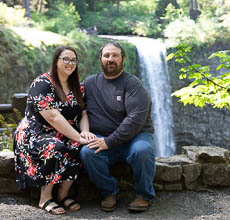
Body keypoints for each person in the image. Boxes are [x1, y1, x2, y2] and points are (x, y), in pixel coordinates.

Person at [13, 46, 95, 215]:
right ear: (55, 61)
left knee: (79, 147)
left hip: (63, 131)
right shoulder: (42, 84)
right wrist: (78, 137)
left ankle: (63, 195)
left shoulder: (78, 87)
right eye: (65, 59)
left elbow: (84, 112)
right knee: (55, 147)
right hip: (35, 133)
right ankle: (45, 198)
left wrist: (84, 132)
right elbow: (52, 117)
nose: (70, 63)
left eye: (73, 60)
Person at [80, 41, 156, 212]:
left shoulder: (132, 84)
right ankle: (110, 192)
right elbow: (75, 105)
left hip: (135, 136)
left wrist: (109, 141)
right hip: (103, 137)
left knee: (142, 151)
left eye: (115, 55)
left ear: (123, 58)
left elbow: (136, 119)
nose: (110, 59)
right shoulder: (90, 83)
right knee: (87, 153)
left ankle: (144, 195)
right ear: (100, 58)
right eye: (106, 55)